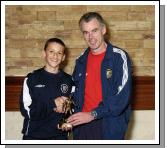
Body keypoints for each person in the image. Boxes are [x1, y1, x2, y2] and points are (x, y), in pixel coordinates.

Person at [67, 12, 132, 140]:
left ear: (103, 30)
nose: (90, 37)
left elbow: (121, 99)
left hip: (108, 126)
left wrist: (93, 114)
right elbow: (74, 92)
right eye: (86, 32)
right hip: (82, 126)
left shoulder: (119, 57)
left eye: (94, 30)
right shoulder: (80, 60)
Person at [20, 38, 74, 140]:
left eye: (59, 53)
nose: (55, 56)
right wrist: (53, 103)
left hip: (59, 136)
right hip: (33, 136)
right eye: (51, 51)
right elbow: (26, 111)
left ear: (63, 57)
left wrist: (67, 114)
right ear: (44, 54)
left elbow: (73, 108)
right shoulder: (31, 79)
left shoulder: (69, 80)